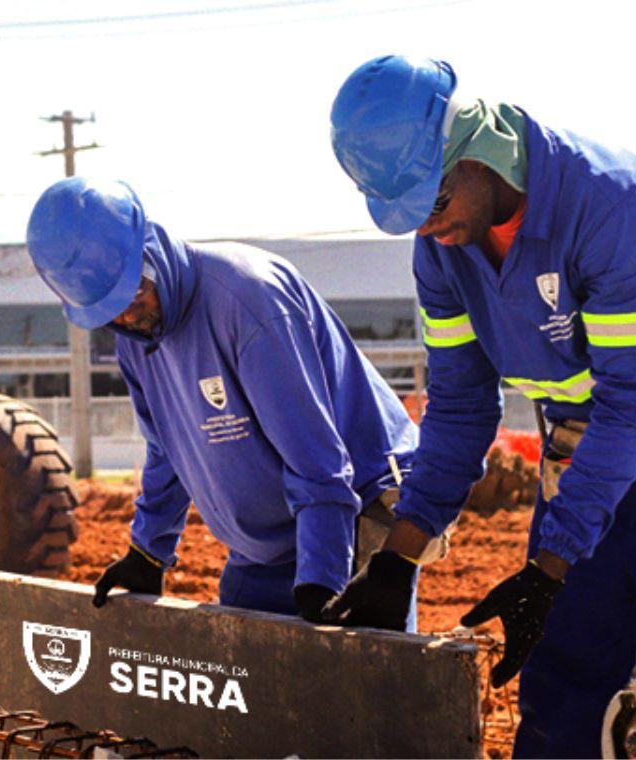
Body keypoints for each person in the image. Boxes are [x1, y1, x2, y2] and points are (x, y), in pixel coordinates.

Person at [323, 55, 636, 755]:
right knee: (566, 685)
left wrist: (551, 566)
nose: (427, 230)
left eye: (430, 204)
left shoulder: (615, 206)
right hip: (583, 449)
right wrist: (401, 552)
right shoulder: (444, 253)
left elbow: (629, 401)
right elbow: (459, 407)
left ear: (477, 156)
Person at [26, 177, 421, 623]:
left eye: (133, 292)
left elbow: (317, 459)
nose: (127, 314)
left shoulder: (248, 301)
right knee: (246, 672)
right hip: (266, 539)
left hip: (352, 510)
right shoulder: (134, 336)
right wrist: (149, 550)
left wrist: (321, 581)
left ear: (150, 246)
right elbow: (166, 447)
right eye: (108, 311)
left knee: (354, 684)